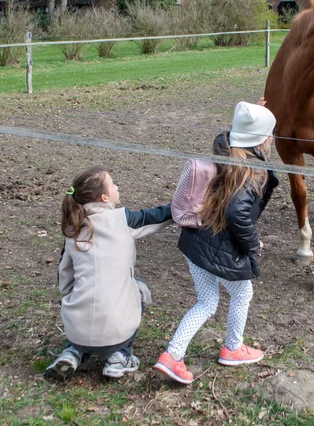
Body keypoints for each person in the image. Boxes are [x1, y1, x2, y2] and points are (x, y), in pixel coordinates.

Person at [155, 101, 279, 384]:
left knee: (207, 302)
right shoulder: (252, 174)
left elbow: (234, 133)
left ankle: (172, 355)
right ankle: (233, 348)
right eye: (270, 133)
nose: (273, 137)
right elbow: (237, 213)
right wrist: (252, 246)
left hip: (195, 241)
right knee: (242, 292)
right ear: (261, 141)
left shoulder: (224, 149)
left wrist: (251, 115)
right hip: (217, 247)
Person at [45, 167, 172, 379]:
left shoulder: (72, 229)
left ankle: (72, 352)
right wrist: (186, 207)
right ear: (105, 197)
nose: (117, 187)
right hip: (116, 333)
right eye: (113, 184)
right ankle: (120, 356)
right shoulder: (123, 220)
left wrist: (71, 296)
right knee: (138, 287)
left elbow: (64, 279)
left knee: (85, 297)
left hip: (76, 330)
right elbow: (160, 216)